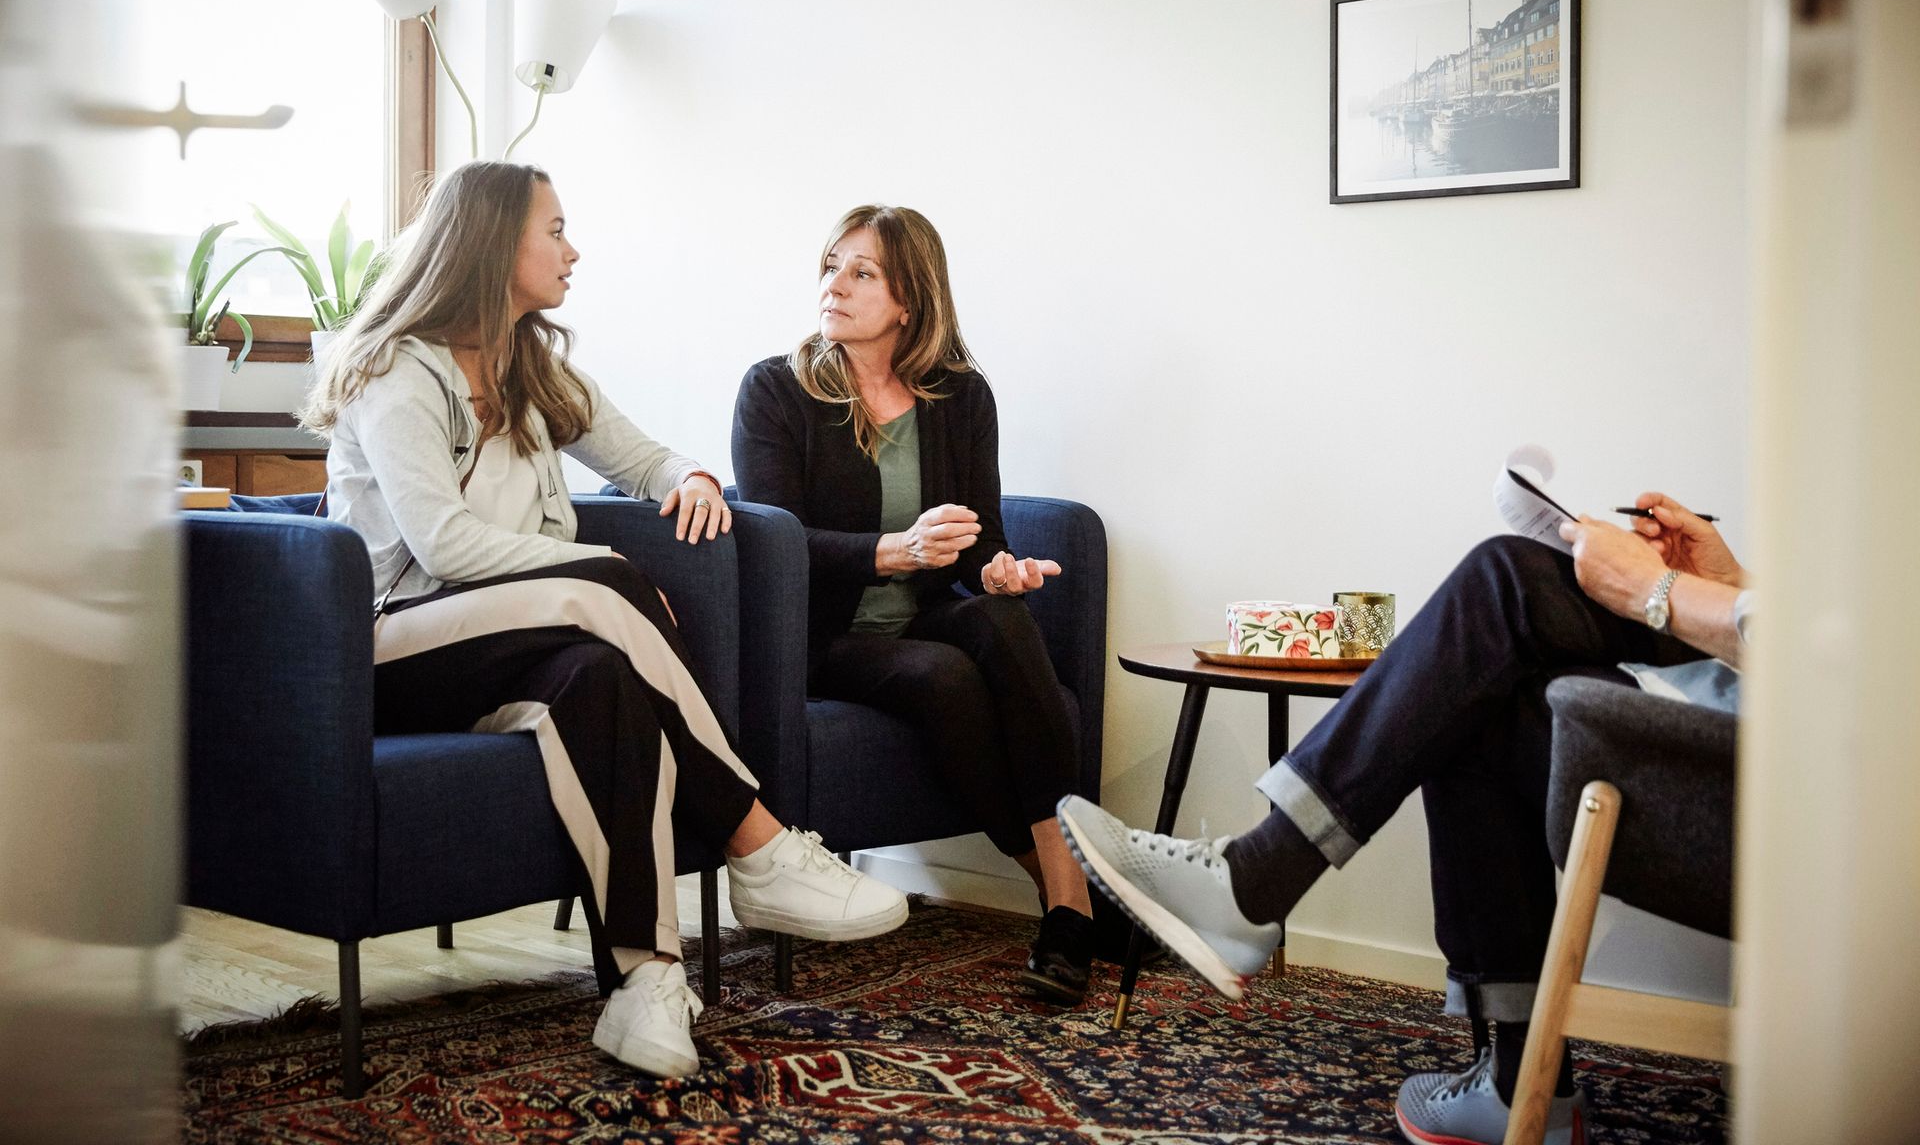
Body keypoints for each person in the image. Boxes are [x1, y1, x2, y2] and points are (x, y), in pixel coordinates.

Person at [301, 161, 907, 1081]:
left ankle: (647, 983)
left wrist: (692, 481)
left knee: (605, 679)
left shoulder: (532, 366)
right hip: (394, 643)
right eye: (555, 230)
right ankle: (760, 844)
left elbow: (643, 459)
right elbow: (447, 546)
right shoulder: (394, 369)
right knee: (610, 587)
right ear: (494, 243)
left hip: (520, 642)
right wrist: (598, 571)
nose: (571, 249)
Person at [1059, 500, 1754, 1145]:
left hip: (1751, 792)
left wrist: (1655, 590)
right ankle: (1518, 1078)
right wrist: (1728, 583)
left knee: (1501, 580)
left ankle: (1257, 879)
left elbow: (1838, 667)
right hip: (1722, 733)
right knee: (1477, 679)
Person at [731, 204, 1104, 1005]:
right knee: (943, 677)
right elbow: (774, 544)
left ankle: (1067, 904)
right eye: (832, 264)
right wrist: (891, 550)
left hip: (928, 611)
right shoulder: (776, 389)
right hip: (825, 635)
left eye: (861, 271)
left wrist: (1001, 572)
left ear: (909, 300)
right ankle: (1069, 897)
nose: (835, 284)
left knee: (1003, 621)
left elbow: (980, 541)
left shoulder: (960, 396)